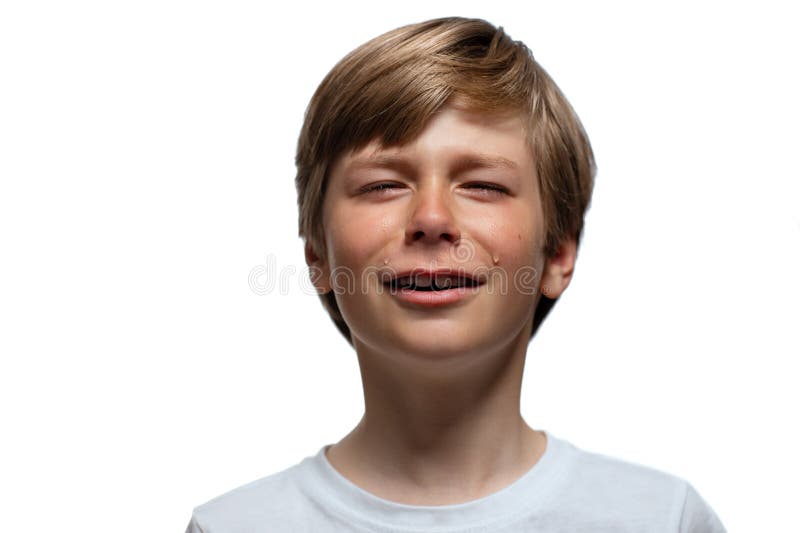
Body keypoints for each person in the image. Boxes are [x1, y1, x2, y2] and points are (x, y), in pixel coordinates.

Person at [185, 16, 726, 532]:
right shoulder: (233, 527)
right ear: (318, 259)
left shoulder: (660, 520)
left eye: (484, 186)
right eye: (382, 185)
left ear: (558, 255)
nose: (432, 220)